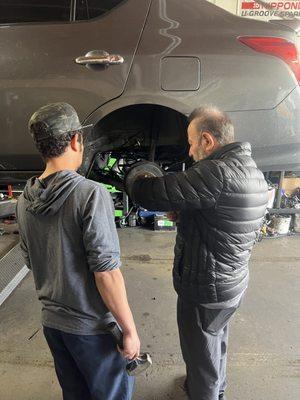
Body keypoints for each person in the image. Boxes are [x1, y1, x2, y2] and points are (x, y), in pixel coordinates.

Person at [127, 106, 269, 400]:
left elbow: (152, 192)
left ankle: (205, 392)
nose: (190, 152)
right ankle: (217, 391)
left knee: (200, 355)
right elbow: (221, 217)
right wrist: (187, 215)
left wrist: (137, 176)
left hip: (206, 288)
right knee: (216, 341)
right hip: (231, 282)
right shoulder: (249, 169)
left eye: (191, 143)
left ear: (207, 140)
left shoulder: (216, 172)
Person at [16, 102, 140, 400]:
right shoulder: (90, 195)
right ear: (75, 140)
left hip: (53, 326)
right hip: (92, 330)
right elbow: (106, 273)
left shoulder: (24, 199)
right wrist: (129, 329)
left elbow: (32, 261)